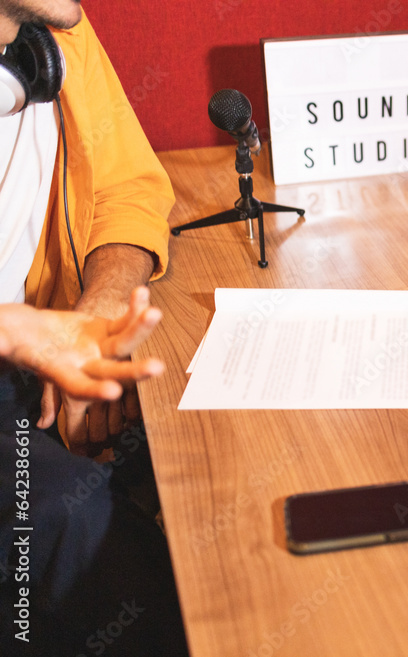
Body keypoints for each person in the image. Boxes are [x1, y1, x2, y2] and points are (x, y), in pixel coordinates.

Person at [0, 1, 187, 654]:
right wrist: (14, 330)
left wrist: (96, 314)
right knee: (80, 526)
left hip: (40, 354)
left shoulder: (58, 33)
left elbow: (127, 189)